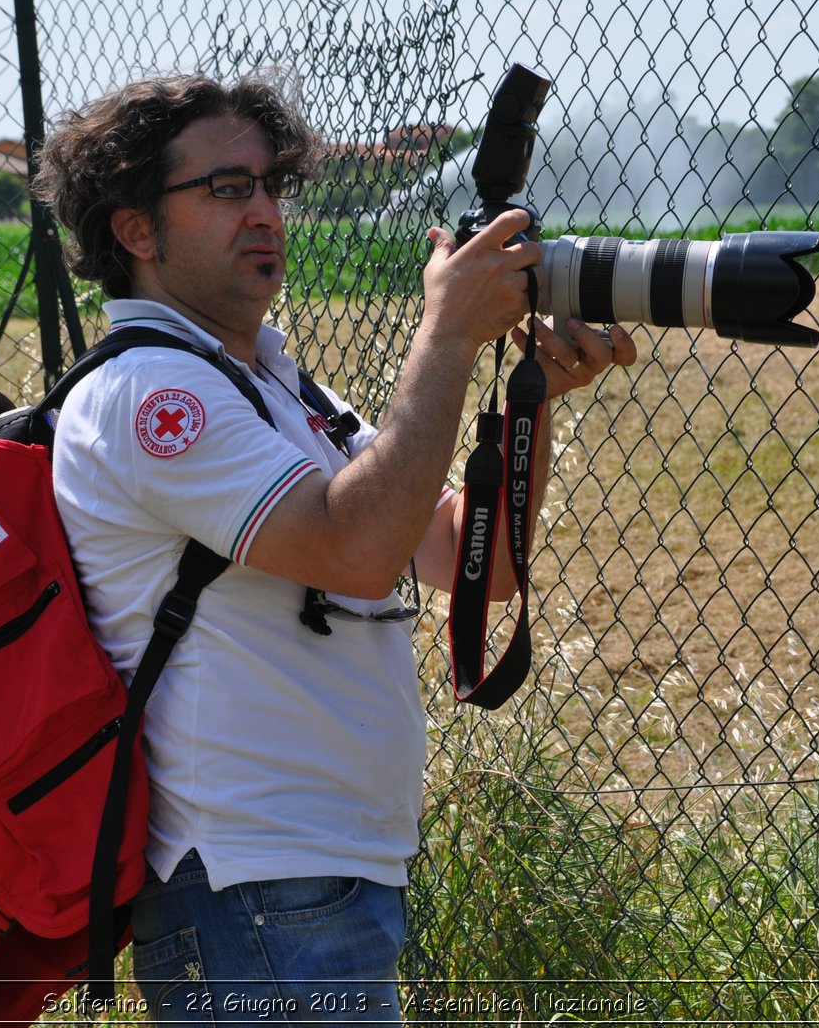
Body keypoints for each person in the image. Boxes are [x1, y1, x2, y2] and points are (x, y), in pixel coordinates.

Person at [31, 72, 635, 1025]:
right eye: (228, 189)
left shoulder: (267, 379)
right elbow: (356, 551)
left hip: (314, 881)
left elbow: (461, 556)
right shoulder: (151, 394)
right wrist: (445, 331)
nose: (266, 211)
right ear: (135, 230)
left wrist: (535, 404)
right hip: (254, 889)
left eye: (272, 185)